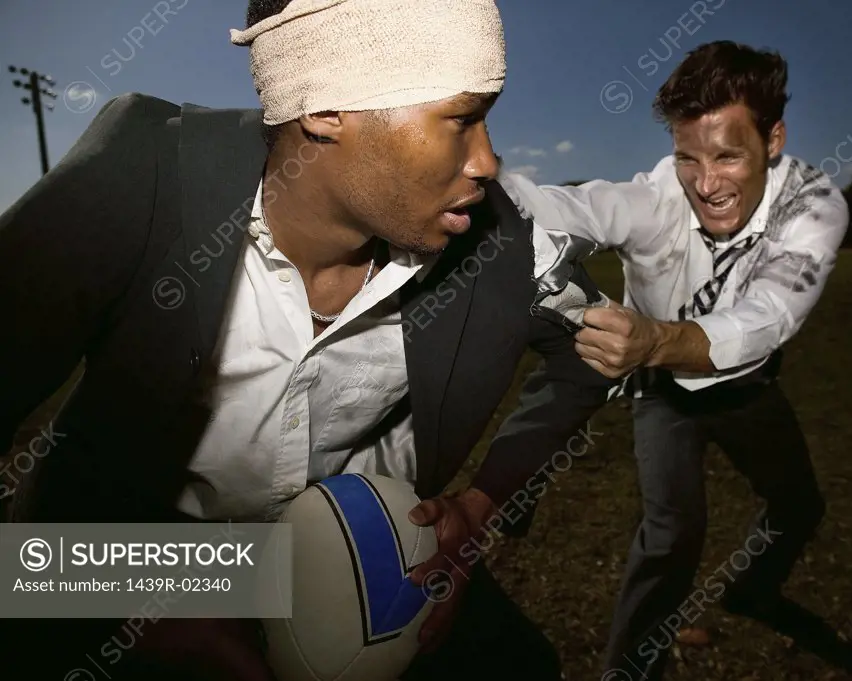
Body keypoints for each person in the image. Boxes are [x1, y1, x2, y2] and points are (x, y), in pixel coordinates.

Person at [0, 1, 615, 679]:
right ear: (324, 108)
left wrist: (481, 502)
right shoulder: (139, 177)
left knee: (522, 665)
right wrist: (135, 601)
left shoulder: (500, 241)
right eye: (462, 117)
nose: (488, 161)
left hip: (351, 548)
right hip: (111, 558)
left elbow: (596, 350)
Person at [499, 40, 850, 680]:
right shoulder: (661, 195)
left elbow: (769, 316)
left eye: (727, 156)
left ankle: (752, 589)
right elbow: (579, 206)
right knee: (671, 537)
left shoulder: (814, 203)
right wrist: (486, 182)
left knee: (798, 505)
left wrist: (657, 338)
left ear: (774, 139)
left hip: (748, 386)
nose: (706, 183)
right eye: (687, 156)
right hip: (663, 394)